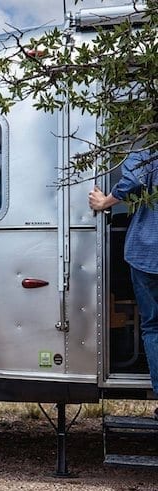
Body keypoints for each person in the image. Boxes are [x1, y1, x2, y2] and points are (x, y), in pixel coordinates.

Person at [90, 150, 158, 397]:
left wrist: (104, 202)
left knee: (153, 326)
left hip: (146, 253)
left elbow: (134, 181)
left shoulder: (149, 147)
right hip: (145, 254)